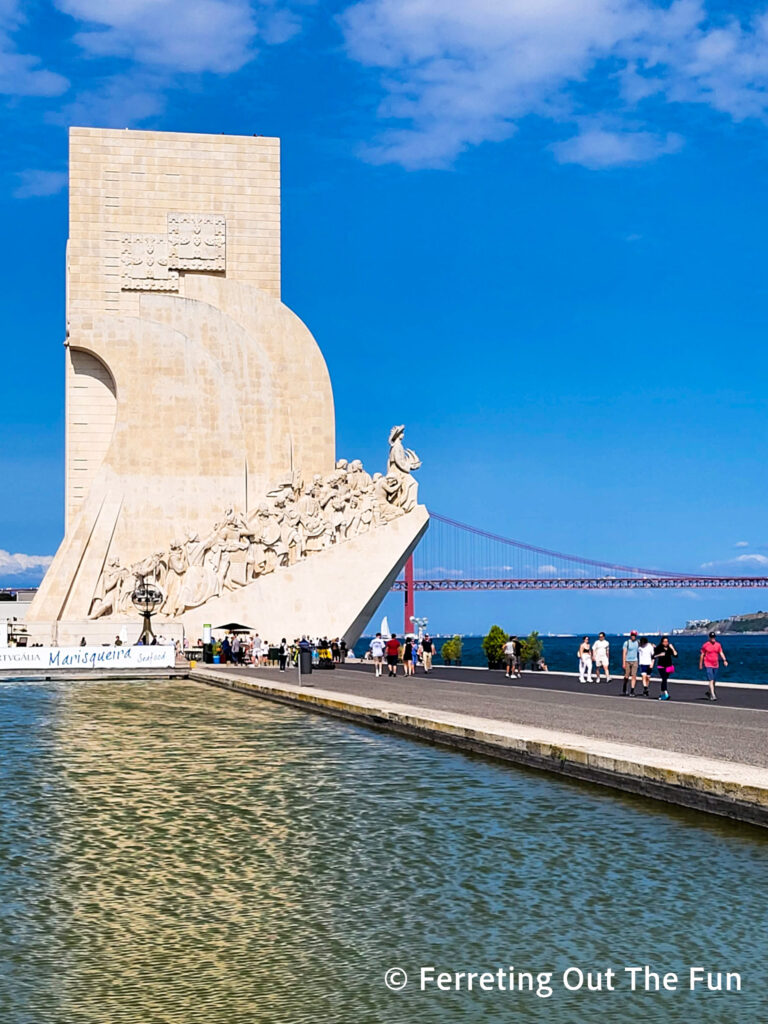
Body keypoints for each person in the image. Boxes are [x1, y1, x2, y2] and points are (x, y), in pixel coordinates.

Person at [699, 631, 728, 702]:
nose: (713, 639)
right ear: (709, 638)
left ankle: (709, 692)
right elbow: (702, 655)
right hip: (708, 664)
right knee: (711, 679)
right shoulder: (705, 645)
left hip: (716, 664)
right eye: (711, 637)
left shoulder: (718, 645)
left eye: (714, 637)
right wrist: (700, 664)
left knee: (714, 680)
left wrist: (724, 660)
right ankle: (713, 694)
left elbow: (721, 652)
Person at [654, 635, 678, 700]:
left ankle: (662, 694)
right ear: (662, 642)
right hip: (661, 666)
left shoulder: (669, 648)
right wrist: (660, 654)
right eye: (664, 641)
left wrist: (672, 648)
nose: (666, 643)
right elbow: (653, 656)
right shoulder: (658, 648)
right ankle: (666, 693)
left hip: (668, 666)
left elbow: (676, 655)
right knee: (664, 678)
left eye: (667, 641)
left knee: (664, 680)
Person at [622, 630, 640, 695]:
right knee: (626, 676)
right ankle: (624, 687)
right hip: (627, 661)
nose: (633, 636)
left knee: (634, 676)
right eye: (632, 635)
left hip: (635, 661)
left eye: (634, 635)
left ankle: (632, 690)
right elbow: (624, 653)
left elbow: (644, 644)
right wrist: (623, 662)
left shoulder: (638, 642)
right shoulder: (627, 643)